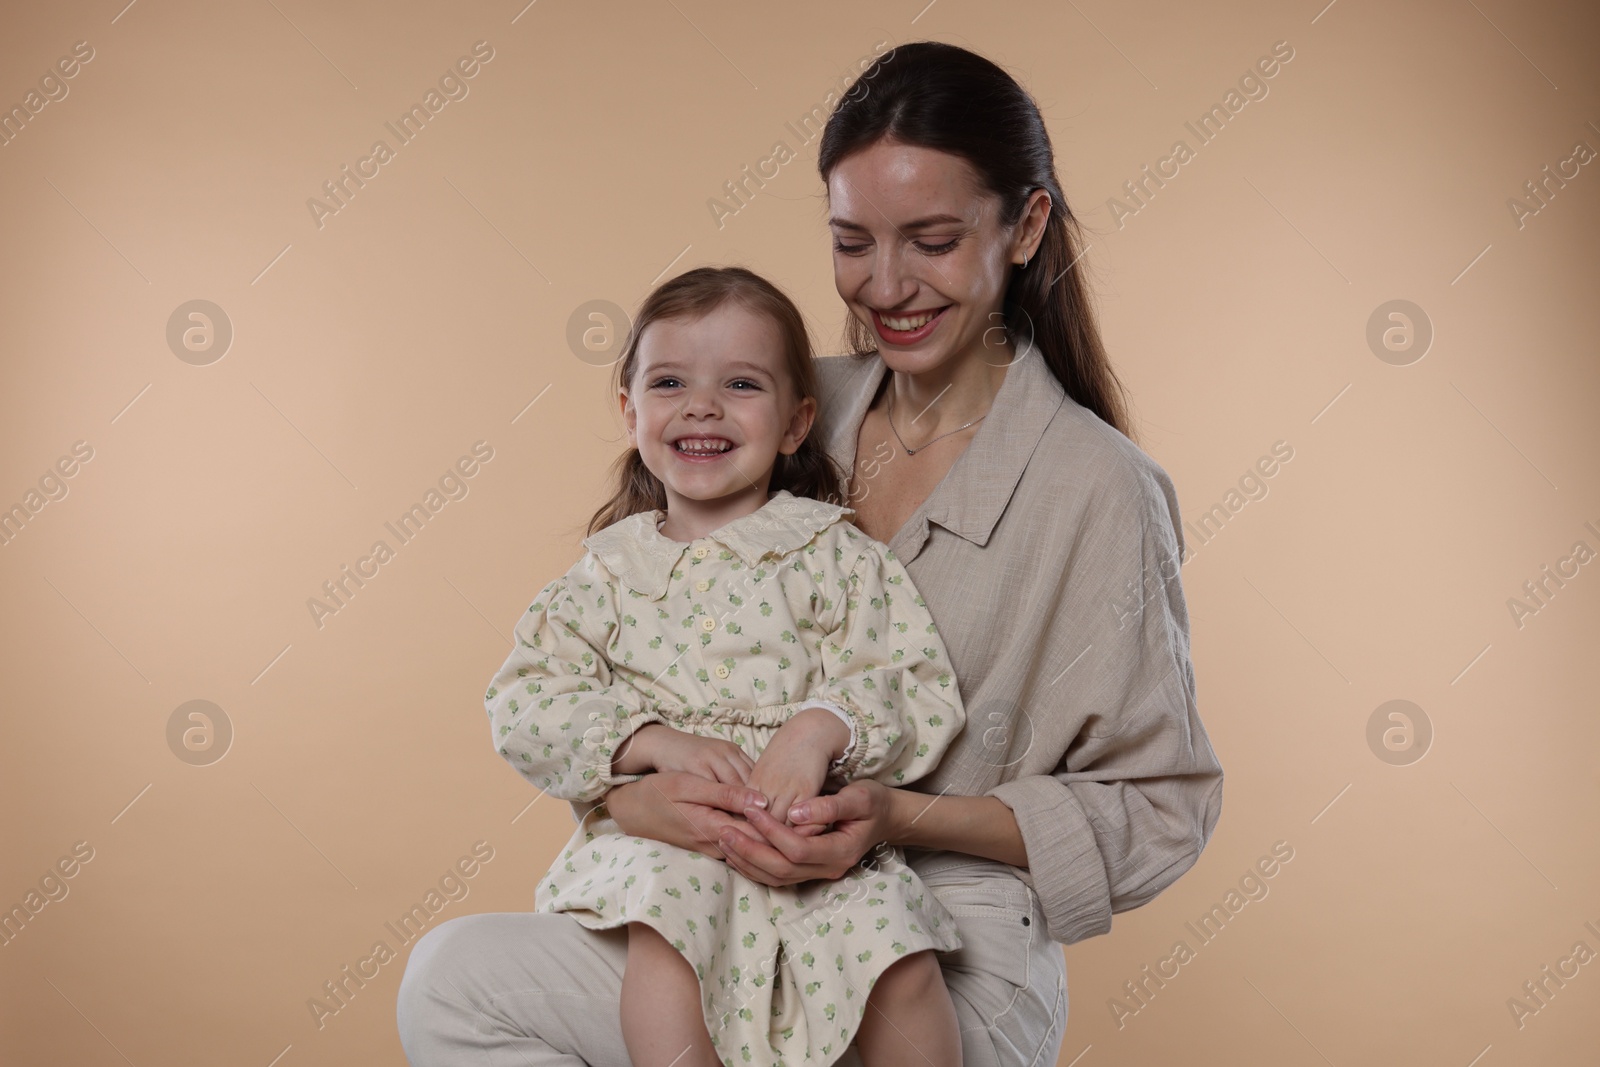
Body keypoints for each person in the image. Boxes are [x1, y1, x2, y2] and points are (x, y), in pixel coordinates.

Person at [398, 40, 1224, 1067]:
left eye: (929, 239)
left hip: (936, 933)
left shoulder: (1099, 489)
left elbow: (1159, 808)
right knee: (451, 983)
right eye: (851, 240)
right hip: (712, 897)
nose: (885, 286)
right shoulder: (775, 397)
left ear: (1025, 225)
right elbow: (617, 653)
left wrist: (892, 812)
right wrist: (630, 791)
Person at [484, 264, 972, 1067]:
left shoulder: (834, 552)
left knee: (900, 952)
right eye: (670, 381)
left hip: (802, 829)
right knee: (668, 942)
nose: (701, 405)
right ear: (629, 410)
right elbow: (526, 703)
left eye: (740, 383)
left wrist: (820, 729)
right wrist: (646, 740)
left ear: (793, 422)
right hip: (670, 844)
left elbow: (912, 680)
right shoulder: (605, 575)